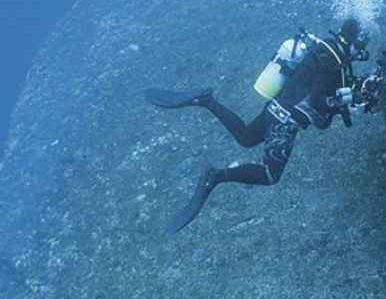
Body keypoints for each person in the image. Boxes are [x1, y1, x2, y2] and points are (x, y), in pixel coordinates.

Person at [146, 18, 372, 233]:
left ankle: (205, 100)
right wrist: (341, 102)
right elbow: (318, 104)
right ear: (352, 42)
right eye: (360, 47)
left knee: (246, 137)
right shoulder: (335, 64)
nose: (360, 53)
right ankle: (215, 176)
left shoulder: (321, 48)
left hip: (275, 106)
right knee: (269, 174)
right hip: (286, 121)